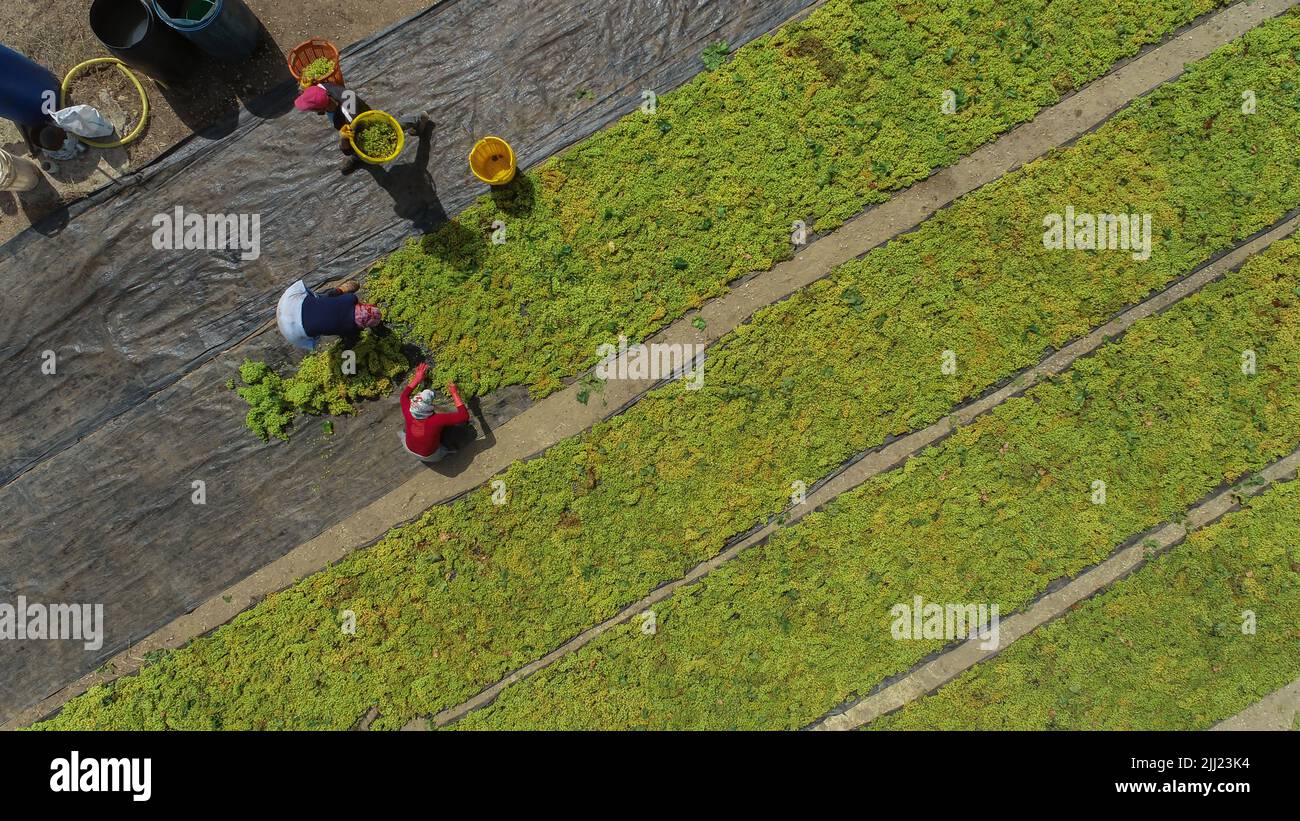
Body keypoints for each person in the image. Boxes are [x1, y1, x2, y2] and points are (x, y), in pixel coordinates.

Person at [294, 82, 430, 174]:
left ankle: (417, 119)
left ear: (322, 107)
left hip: (363, 122)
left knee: (386, 131)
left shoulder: (348, 118)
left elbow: (348, 148)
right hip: (356, 107)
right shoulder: (322, 87)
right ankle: (417, 119)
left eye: (313, 110)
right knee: (385, 127)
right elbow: (316, 86)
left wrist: (343, 139)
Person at [276, 279, 382, 351]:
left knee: (326, 298)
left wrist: (341, 291)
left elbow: (334, 296)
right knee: (317, 333)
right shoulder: (351, 330)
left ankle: (341, 289)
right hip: (292, 332)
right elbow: (351, 341)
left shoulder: (351, 298)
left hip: (289, 302)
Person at [400, 362, 468, 462]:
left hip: (408, 447)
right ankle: (446, 452)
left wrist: (417, 379)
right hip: (429, 456)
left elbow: (403, 396)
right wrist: (454, 393)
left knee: (411, 427)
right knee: (449, 428)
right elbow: (464, 416)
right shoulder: (436, 420)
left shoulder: (407, 409)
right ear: (428, 408)